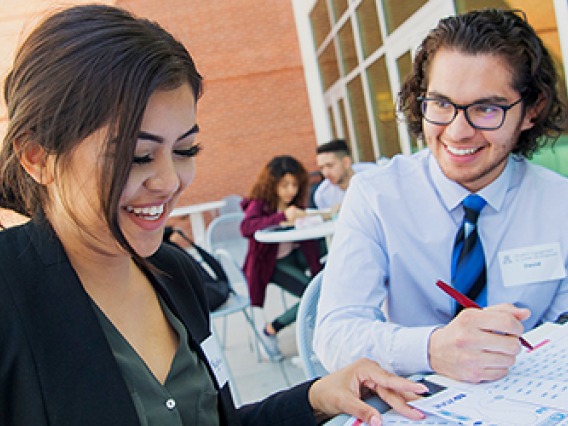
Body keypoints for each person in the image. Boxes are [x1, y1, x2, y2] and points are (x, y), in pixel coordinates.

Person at [0, 5, 429, 425]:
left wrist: (318, 396)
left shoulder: (175, 273)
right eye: (138, 156)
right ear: (38, 156)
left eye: (185, 150)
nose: (169, 181)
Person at [315, 8, 568, 384]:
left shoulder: (559, 203)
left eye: (486, 108)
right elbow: (334, 335)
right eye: (442, 104)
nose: (457, 131)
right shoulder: (377, 196)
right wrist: (433, 348)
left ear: (532, 111)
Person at [240, 155, 323, 361]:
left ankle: (323, 316)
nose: (290, 190)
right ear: (272, 183)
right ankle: (271, 329)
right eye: (284, 185)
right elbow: (246, 227)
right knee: (314, 296)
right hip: (271, 265)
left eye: (294, 184)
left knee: (331, 249)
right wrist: (283, 216)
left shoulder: (294, 202)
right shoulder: (260, 203)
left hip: (295, 255)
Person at [313, 139, 376, 211]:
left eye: (330, 165)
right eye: (321, 168)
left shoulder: (372, 176)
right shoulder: (323, 194)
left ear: (346, 162)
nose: (325, 173)